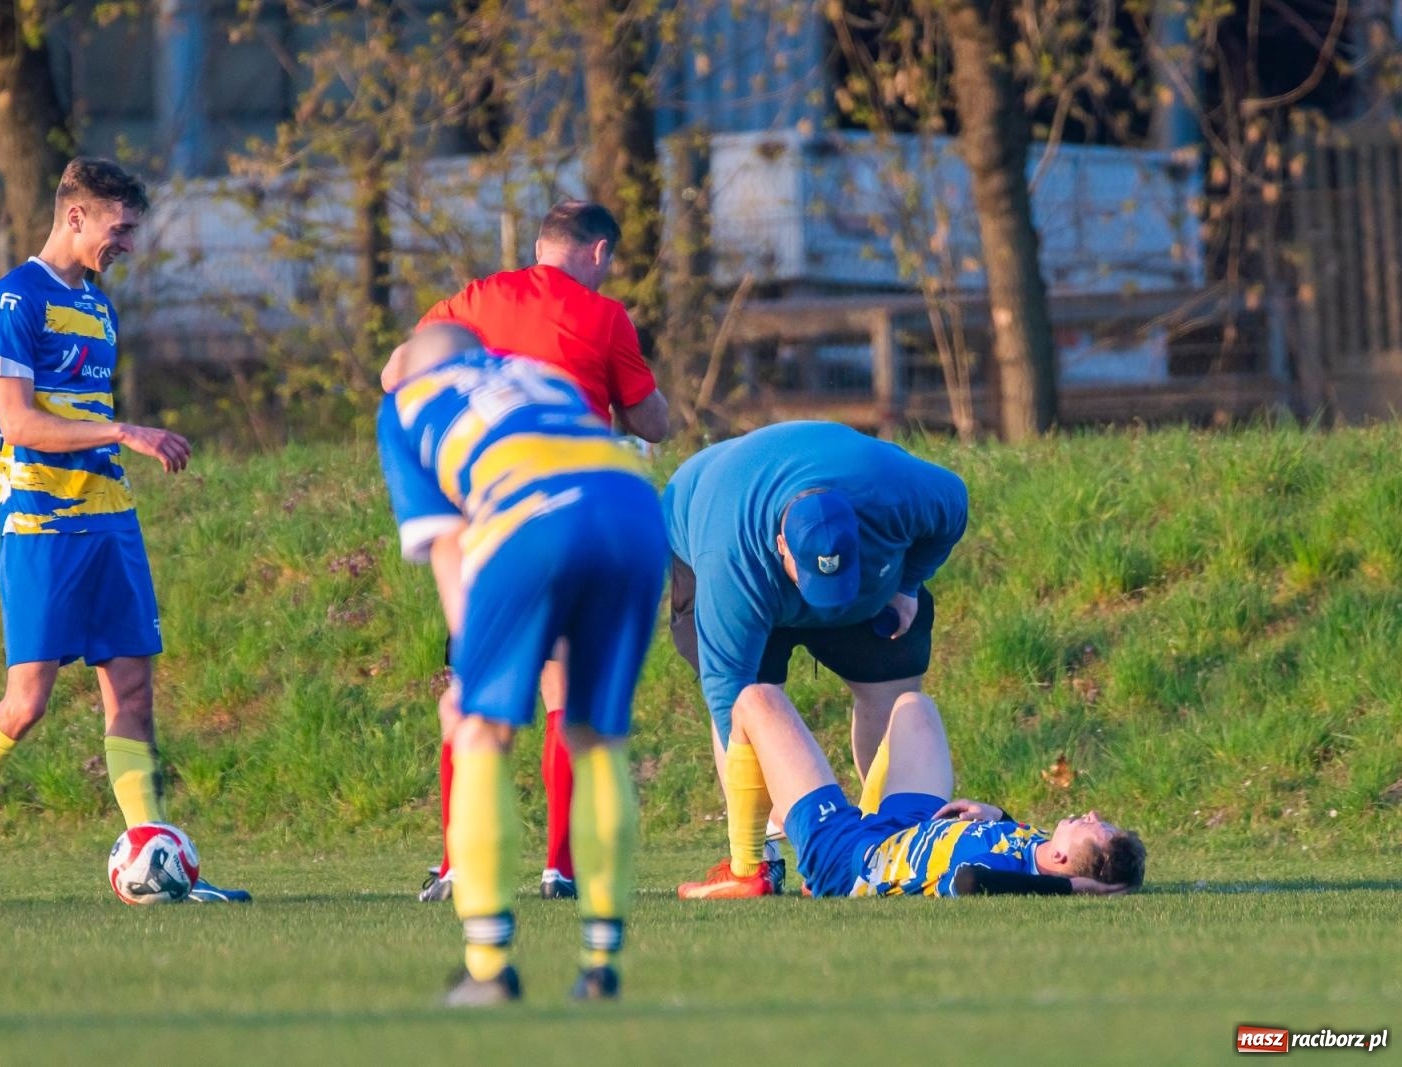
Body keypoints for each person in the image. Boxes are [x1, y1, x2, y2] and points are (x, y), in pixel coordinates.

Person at [0, 157, 249, 908]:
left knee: (131, 689)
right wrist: (126, 429)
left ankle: (157, 859)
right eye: (119, 228)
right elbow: (20, 421)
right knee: (26, 701)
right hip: (41, 523)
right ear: (76, 217)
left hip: (110, 520)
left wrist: (116, 445)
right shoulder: (15, 299)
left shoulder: (98, 305)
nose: (127, 243)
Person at [383, 200, 668, 903]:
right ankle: (562, 867)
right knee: (566, 697)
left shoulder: (475, 299)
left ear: (540, 244)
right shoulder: (604, 317)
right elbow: (653, 418)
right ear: (599, 252)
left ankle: (457, 863)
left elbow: (396, 372)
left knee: (473, 693)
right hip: (590, 511)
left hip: (490, 513)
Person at [665, 420, 969, 899]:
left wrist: (909, 583)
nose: (823, 604)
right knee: (748, 701)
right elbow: (729, 700)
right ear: (784, 548)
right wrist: (795, 816)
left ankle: (885, 849)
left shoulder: (895, 492)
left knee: (894, 693)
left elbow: (955, 504)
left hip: (866, 562)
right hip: (721, 525)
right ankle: (752, 865)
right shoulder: (728, 562)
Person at [734, 689, 1144, 898]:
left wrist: (1072, 889)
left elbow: (969, 882)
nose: (1091, 813)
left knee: (756, 700)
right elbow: (1010, 836)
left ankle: (747, 868)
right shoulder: (1043, 846)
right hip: (916, 825)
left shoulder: (1007, 872)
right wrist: (996, 814)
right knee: (914, 706)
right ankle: (830, 812)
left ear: (1061, 860)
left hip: (853, 859)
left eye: (1097, 827)